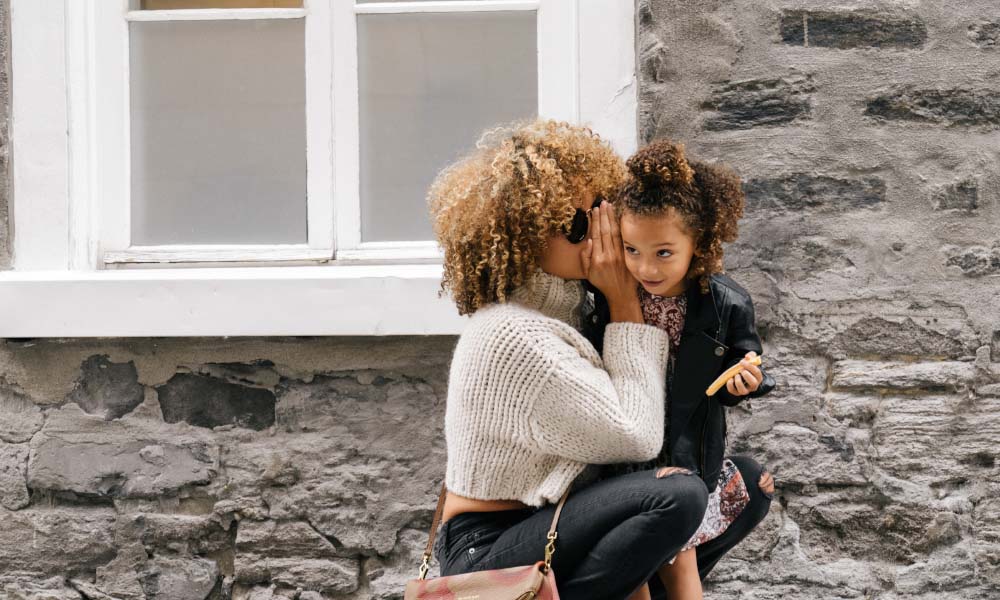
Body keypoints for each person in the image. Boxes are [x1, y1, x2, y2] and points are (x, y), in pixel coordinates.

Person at [426, 120, 709, 600]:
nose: (598, 235)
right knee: (676, 496)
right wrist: (625, 303)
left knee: (742, 482)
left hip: (546, 522)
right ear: (524, 236)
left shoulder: (570, 314)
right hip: (488, 546)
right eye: (578, 224)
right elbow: (636, 434)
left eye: (603, 213)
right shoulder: (513, 335)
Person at [586, 140, 777, 600]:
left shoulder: (726, 303)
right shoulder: (607, 296)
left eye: (663, 253)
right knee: (634, 571)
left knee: (681, 559)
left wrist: (742, 382)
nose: (645, 267)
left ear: (699, 243)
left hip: (686, 453)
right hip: (623, 445)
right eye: (631, 250)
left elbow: (742, 363)